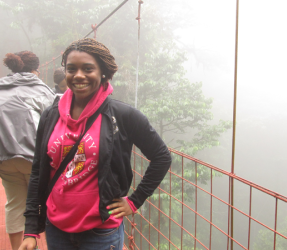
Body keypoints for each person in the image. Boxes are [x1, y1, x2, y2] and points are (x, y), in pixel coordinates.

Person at [19, 38, 172, 250]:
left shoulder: (123, 115)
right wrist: (30, 228)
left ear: (103, 72)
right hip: (56, 227)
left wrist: (135, 201)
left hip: (101, 230)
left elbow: (162, 156)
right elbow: (38, 171)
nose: (78, 75)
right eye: (71, 69)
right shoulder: (50, 115)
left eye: (88, 69)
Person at [0, 51, 55, 250]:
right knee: (48, 202)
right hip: (35, 159)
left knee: (15, 203)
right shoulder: (42, 91)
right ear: (36, 70)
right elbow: (56, 121)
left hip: (4, 158)